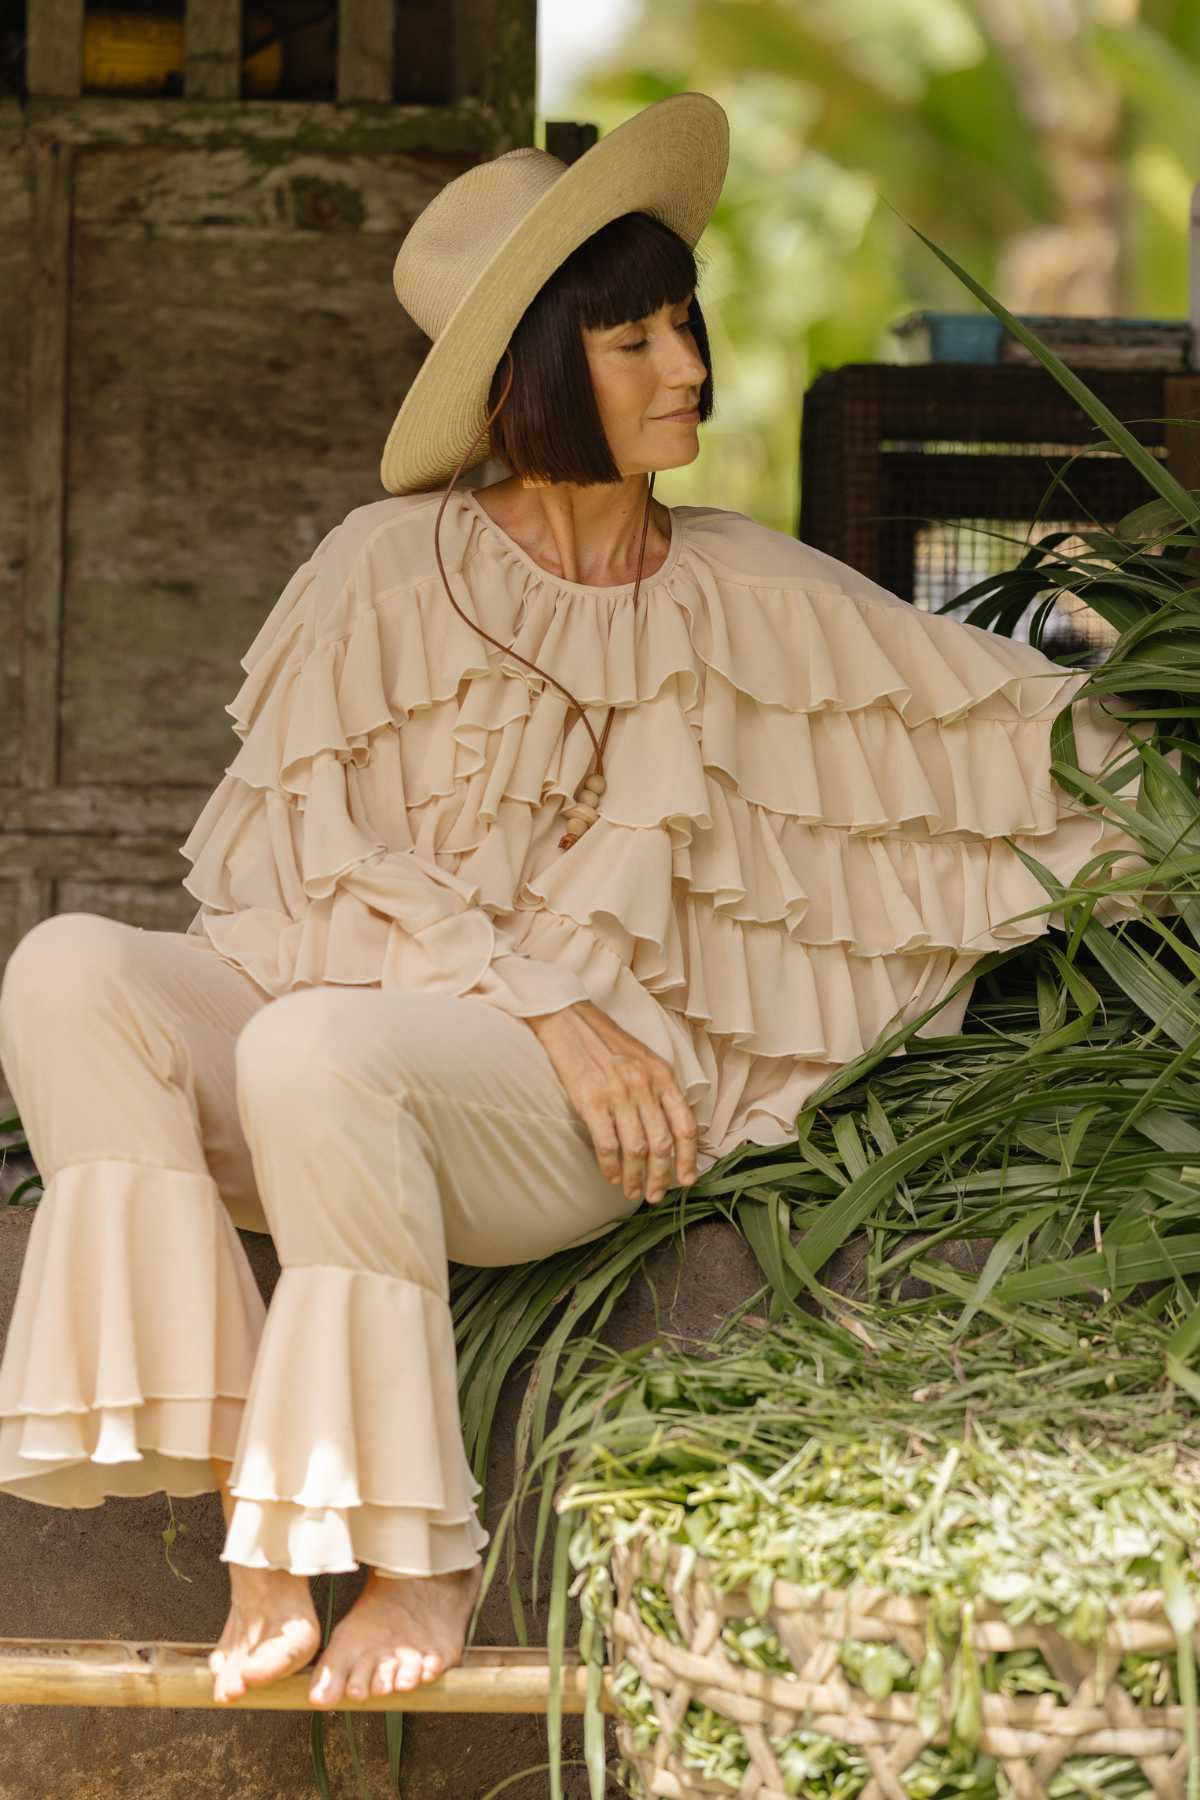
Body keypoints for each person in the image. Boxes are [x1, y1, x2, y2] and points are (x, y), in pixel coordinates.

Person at [0, 92, 1145, 1711]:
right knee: (67, 967)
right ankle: (253, 1515)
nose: (689, 367)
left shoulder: (755, 592)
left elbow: (1038, 745)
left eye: (686, 324)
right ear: (533, 367)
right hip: (377, 1042)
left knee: (321, 1051)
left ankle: (415, 1557)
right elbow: (302, 872)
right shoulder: (374, 571)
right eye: (634, 340)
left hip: (564, 1115)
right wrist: (531, 991)